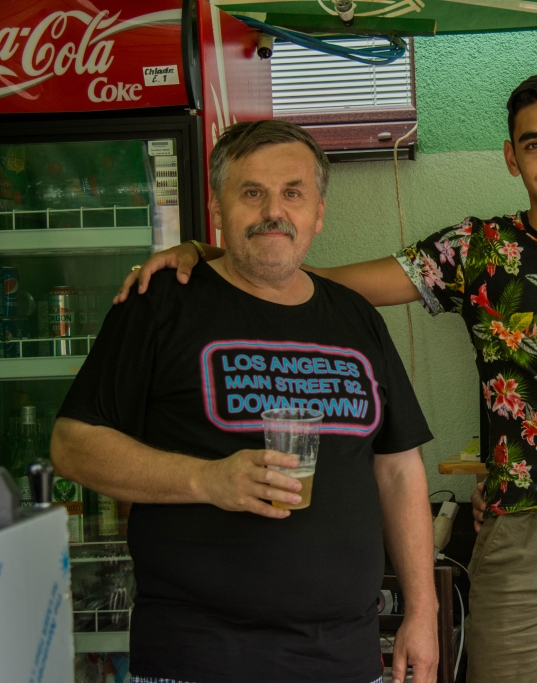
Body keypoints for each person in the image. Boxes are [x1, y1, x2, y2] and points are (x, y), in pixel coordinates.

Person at [115, 73, 537, 683]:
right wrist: (220, 257)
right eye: (533, 144)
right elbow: (330, 283)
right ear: (510, 157)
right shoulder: (477, 248)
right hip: (521, 522)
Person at [51, 120, 438, 683]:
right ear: (217, 206)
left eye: (293, 193)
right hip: (197, 659)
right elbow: (72, 445)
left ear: (318, 212)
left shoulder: (355, 316)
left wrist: (423, 612)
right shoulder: (161, 303)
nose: (273, 211)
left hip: (346, 659)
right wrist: (206, 480)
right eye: (251, 192)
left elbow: (399, 468)